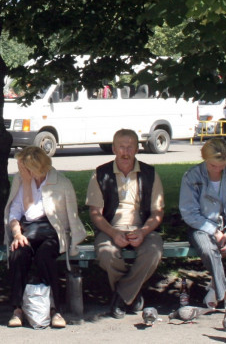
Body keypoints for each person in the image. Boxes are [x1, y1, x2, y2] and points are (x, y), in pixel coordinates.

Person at [3, 146, 87, 328]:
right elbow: (15, 212)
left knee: (44, 256)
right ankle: (17, 309)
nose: (19, 169)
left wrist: (27, 183)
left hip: (52, 232)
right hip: (27, 231)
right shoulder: (21, 180)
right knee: (18, 253)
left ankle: (55, 309)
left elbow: (37, 212)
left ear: (34, 167)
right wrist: (17, 233)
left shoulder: (60, 183)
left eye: (22, 166)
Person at [86, 129, 164, 319]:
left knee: (153, 252)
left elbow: (157, 212)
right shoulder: (100, 174)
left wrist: (144, 232)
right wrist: (113, 233)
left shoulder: (150, 174)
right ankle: (133, 294)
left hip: (142, 228)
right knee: (106, 254)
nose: (126, 152)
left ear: (137, 149)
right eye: (121, 146)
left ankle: (121, 296)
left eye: (130, 147)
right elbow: (95, 213)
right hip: (111, 228)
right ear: (114, 148)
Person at [179, 138, 226, 311]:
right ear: (205, 159)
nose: (218, 169)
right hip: (201, 226)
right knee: (208, 250)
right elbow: (189, 212)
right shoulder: (192, 176)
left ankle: (216, 286)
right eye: (213, 165)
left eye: (222, 166)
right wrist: (214, 231)